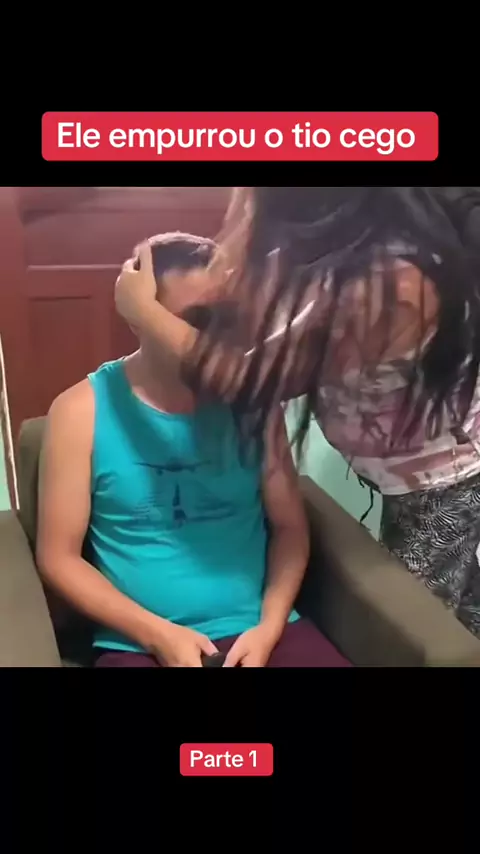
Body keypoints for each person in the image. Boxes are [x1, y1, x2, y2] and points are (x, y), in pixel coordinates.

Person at [114, 188, 480, 639]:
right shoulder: (336, 257)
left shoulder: (394, 287)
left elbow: (251, 378)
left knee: (415, 628)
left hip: (446, 483)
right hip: (408, 480)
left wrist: (143, 310)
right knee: (463, 608)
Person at [37, 231, 350, 668]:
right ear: (139, 318)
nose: (213, 340)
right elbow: (59, 557)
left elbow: (289, 528)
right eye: (195, 320)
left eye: (225, 319)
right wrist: (156, 634)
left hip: (260, 633)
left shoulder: (252, 401)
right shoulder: (80, 412)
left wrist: (269, 626)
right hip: (141, 644)